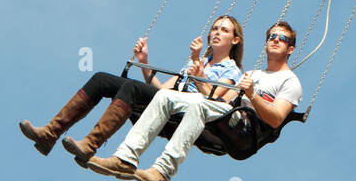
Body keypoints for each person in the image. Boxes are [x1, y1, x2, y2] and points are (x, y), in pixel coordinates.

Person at [90, 18, 300, 181]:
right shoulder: (252, 74)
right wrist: (145, 63)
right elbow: (218, 100)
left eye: (281, 38)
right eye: (271, 36)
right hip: (226, 113)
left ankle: (163, 170)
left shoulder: (290, 81)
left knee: (199, 104)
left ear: (290, 49)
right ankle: (125, 157)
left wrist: (252, 95)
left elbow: (276, 119)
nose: (275, 40)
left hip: (245, 128)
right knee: (163, 97)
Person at [19, 17, 244, 167]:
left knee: (132, 88)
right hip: (170, 101)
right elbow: (162, 90)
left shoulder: (232, 70)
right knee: (102, 79)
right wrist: (144, 62)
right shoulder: (199, 61)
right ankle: (50, 133)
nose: (216, 32)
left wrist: (198, 68)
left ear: (234, 40)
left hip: (189, 112)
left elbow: (213, 100)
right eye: (214, 28)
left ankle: (90, 144)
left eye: (223, 30)